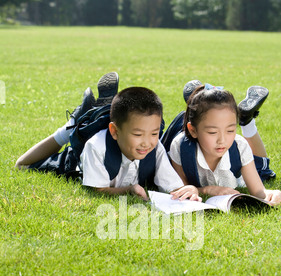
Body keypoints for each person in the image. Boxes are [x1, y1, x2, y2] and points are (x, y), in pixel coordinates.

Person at [16, 73, 200, 202]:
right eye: (137, 134)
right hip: (73, 160)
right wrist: (128, 190)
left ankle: (104, 110)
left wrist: (188, 190)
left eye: (154, 133)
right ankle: (73, 125)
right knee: (22, 166)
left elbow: (172, 186)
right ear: (114, 131)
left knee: (142, 130)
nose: (147, 142)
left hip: (117, 129)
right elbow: (96, 190)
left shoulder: (154, 147)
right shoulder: (96, 147)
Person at [169, 84, 281, 206]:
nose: (222, 140)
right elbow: (181, 188)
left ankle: (247, 121)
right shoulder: (180, 147)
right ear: (193, 130)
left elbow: (259, 191)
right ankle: (199, 98)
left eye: (230, 131)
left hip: (239, 169)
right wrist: (207, 190)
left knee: (263, 170)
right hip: (189, 136)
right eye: (212, 132)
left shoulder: (239, 146)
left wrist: (273, 194)